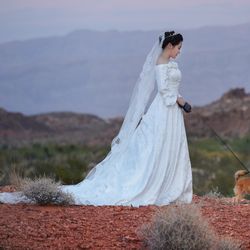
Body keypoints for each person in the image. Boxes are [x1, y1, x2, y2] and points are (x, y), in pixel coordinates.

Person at [0, 31, 193, 207]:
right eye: (178, 48)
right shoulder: (160, 64)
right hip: (164, 109)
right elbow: (164, 90)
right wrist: (180, 101)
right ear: (169, 46)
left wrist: (180, 99)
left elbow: (172, 88)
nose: (179, 52)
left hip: (172, 110)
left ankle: (169, 186)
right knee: (156, 147)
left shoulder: (171, 64)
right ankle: (154, 185)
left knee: (170, 146)